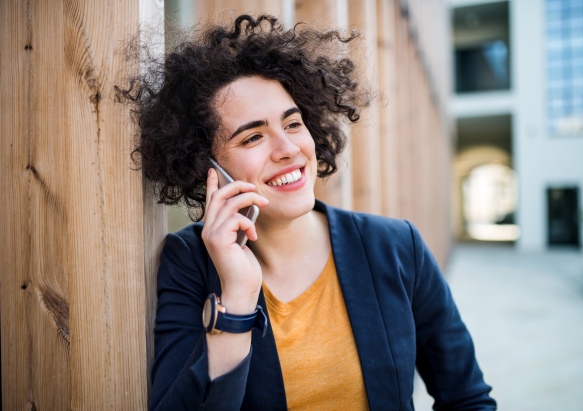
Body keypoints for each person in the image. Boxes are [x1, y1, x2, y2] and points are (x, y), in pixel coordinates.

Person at [117, 14, 497, 411]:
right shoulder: (189, 263)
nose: (287, 148)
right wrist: (238, 297)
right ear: (207, 167)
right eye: (253, 137)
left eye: (293, 123)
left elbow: (468, 400)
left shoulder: (397, 246)